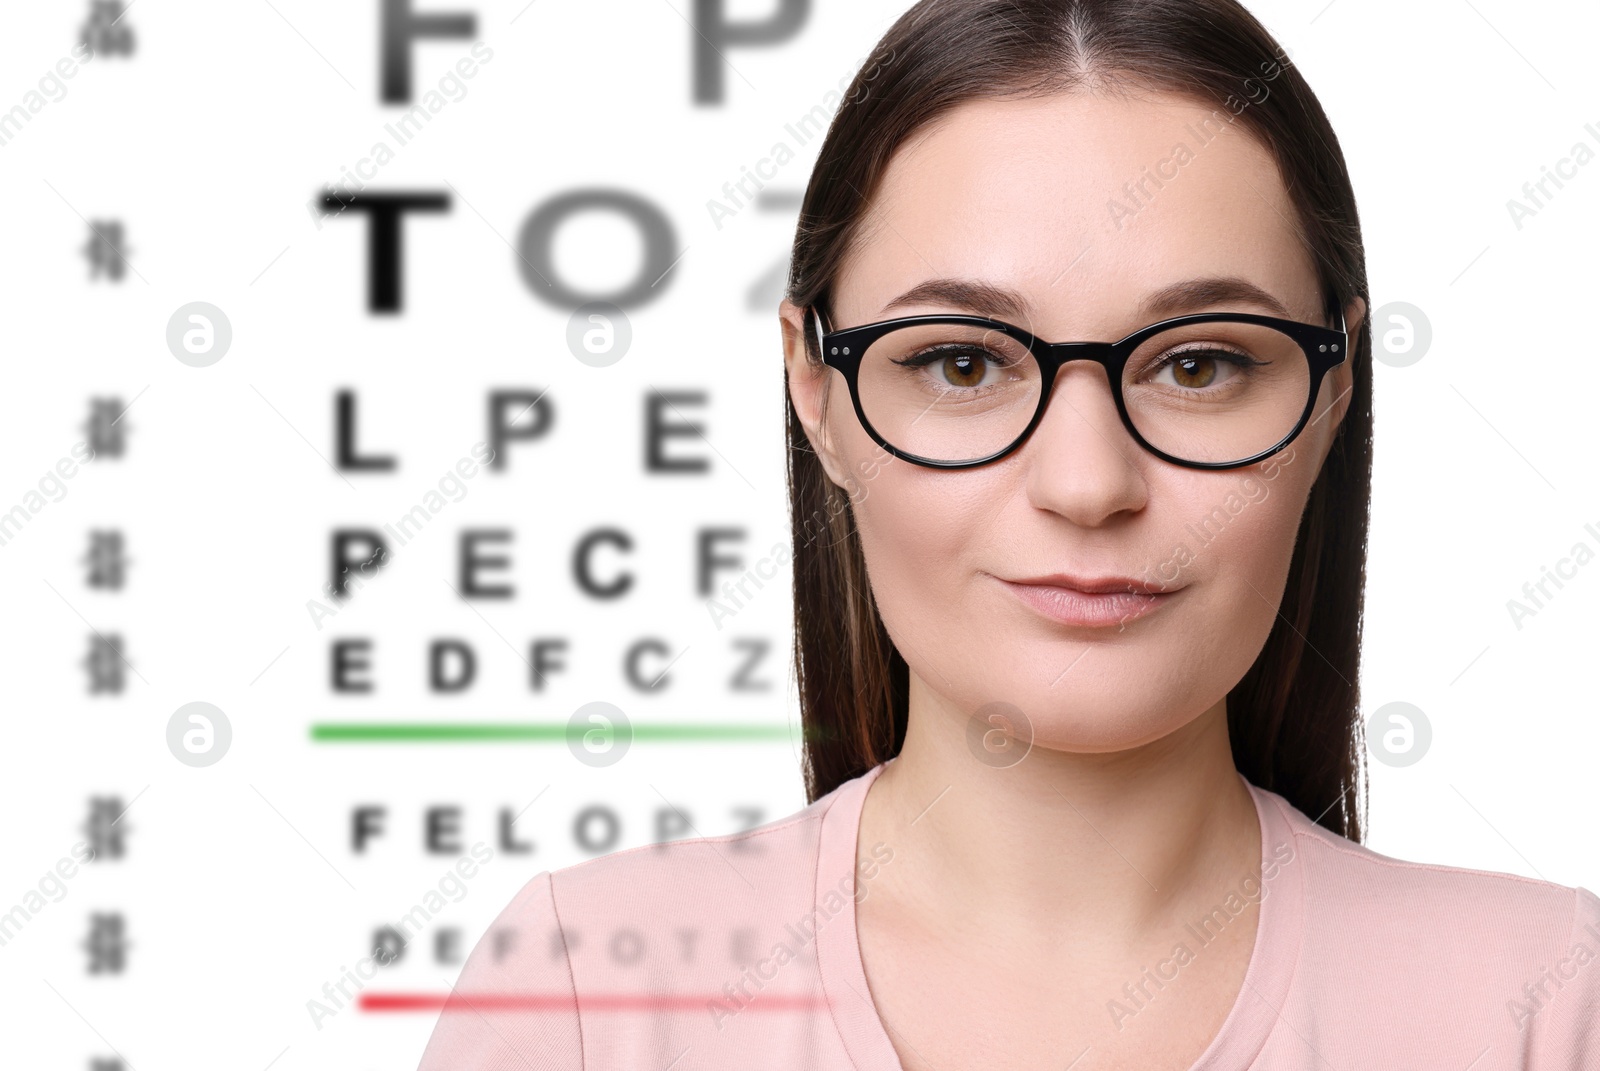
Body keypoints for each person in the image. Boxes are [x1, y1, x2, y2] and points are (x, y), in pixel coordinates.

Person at [416, 1, 1600, 1067]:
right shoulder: (587, 994)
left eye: (1197, 364)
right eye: (962, 362)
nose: (1088, 485)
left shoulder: (1553, 1004)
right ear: (812, 392)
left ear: (1332, 395)